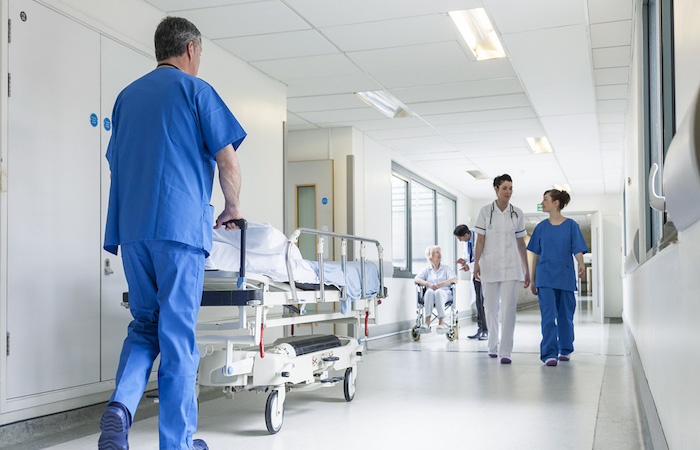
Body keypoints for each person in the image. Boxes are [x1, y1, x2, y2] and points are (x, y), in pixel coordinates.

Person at [98, 17, 247, 450]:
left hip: (132, 229)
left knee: (145, 324)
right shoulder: (197, 91)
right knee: (178, 335)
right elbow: (228, 160)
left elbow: (117, 163)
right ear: (192, 50)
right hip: (179, 231)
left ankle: (120, 409)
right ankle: (177, 444)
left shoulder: (126, 98)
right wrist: (233, 208)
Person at [473, 174, 530, 364]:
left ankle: (506, 351)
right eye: (505, 188)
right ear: (496, 189)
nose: (508, 192)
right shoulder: (485, 211)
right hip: (489, 266)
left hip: (512, 267)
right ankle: (492, 344)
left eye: (511, 188)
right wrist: (476, 263)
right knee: (490, 308)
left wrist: (527, 269)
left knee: (509, 309)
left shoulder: (517, 213)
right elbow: (480, 240)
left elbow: (521, 243)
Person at [527, 190, 588, 367]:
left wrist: (582, 264)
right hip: (545, 277)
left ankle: (565, 348)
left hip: (565, 276)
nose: (542, 202)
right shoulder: (540, 228)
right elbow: (536, 255)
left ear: (555, 203)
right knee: (548, 316)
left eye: (545, 199)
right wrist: (533, 278)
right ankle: (549, 353)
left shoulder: (571, 226)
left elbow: (577, 248)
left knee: (565, 316)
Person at [414, 246, 458, 334]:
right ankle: (427, 322)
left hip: (445, 293)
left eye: (440, 252)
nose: (440, 254)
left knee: (438, 292)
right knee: (429, 291)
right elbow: (416, 279)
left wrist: (440, 285)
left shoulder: (446, 268)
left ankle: (441, 322)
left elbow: (455, 279)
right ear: (430, 256)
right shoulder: (427, 270)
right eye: (437, 252)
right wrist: (428, 284)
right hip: (430, 295)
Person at [454, 224, 487, 340]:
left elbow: (483, 257)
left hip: (484, 272)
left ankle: (486, 330)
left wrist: (470, 265)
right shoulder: (467, 241)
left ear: (467, 234)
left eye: (460, 238)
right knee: (478, 302)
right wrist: (464, 261)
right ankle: (480, 329)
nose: (460, 241)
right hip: (476, 273)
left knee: (483, 302)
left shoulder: (480, 237)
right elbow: (470, 257)